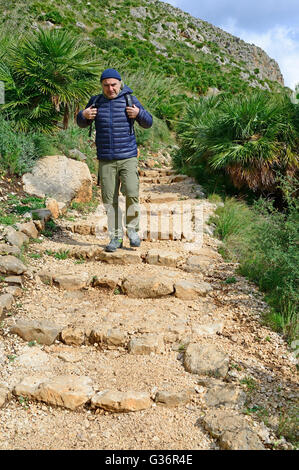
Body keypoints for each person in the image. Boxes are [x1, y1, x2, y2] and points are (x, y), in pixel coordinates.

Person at [76, 68, 153, 252]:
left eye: (114, 85)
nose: (110, 89)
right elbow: (81, 122)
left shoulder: (130, 99)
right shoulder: (96, 101)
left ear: (120, 83)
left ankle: (133, 231)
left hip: (128, 157)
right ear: (102, 85)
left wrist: (139, 114)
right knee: (109, 200)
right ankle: (115, 238)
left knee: (132, 193)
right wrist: (83, 115)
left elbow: (148, 122)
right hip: (106, 160)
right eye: (106, 85)